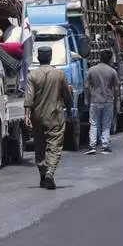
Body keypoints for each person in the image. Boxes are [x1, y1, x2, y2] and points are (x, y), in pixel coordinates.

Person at [25, 45, 72, 190]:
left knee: (39, 146)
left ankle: (42, 173)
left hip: (37, 116)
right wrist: (69, 109)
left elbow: (28, 97)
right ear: (50, 57)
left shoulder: (32, 75)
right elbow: (66, 95)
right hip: (55, 115)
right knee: (54, 145)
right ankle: (49, 173)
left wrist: (26, 115)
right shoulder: (59, 74)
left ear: (38, 58)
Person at [84, 49, 119, 154]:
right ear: (110, 59)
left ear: (100, 57)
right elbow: (116, 88)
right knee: (106, 124)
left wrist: (87, 99)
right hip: (108, 100)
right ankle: (105, 145)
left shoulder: (91, 70)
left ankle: (92, 146)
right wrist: (116, 100)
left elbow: (86, 86)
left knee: (94, 124)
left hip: (95, 100)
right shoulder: (112, 71)